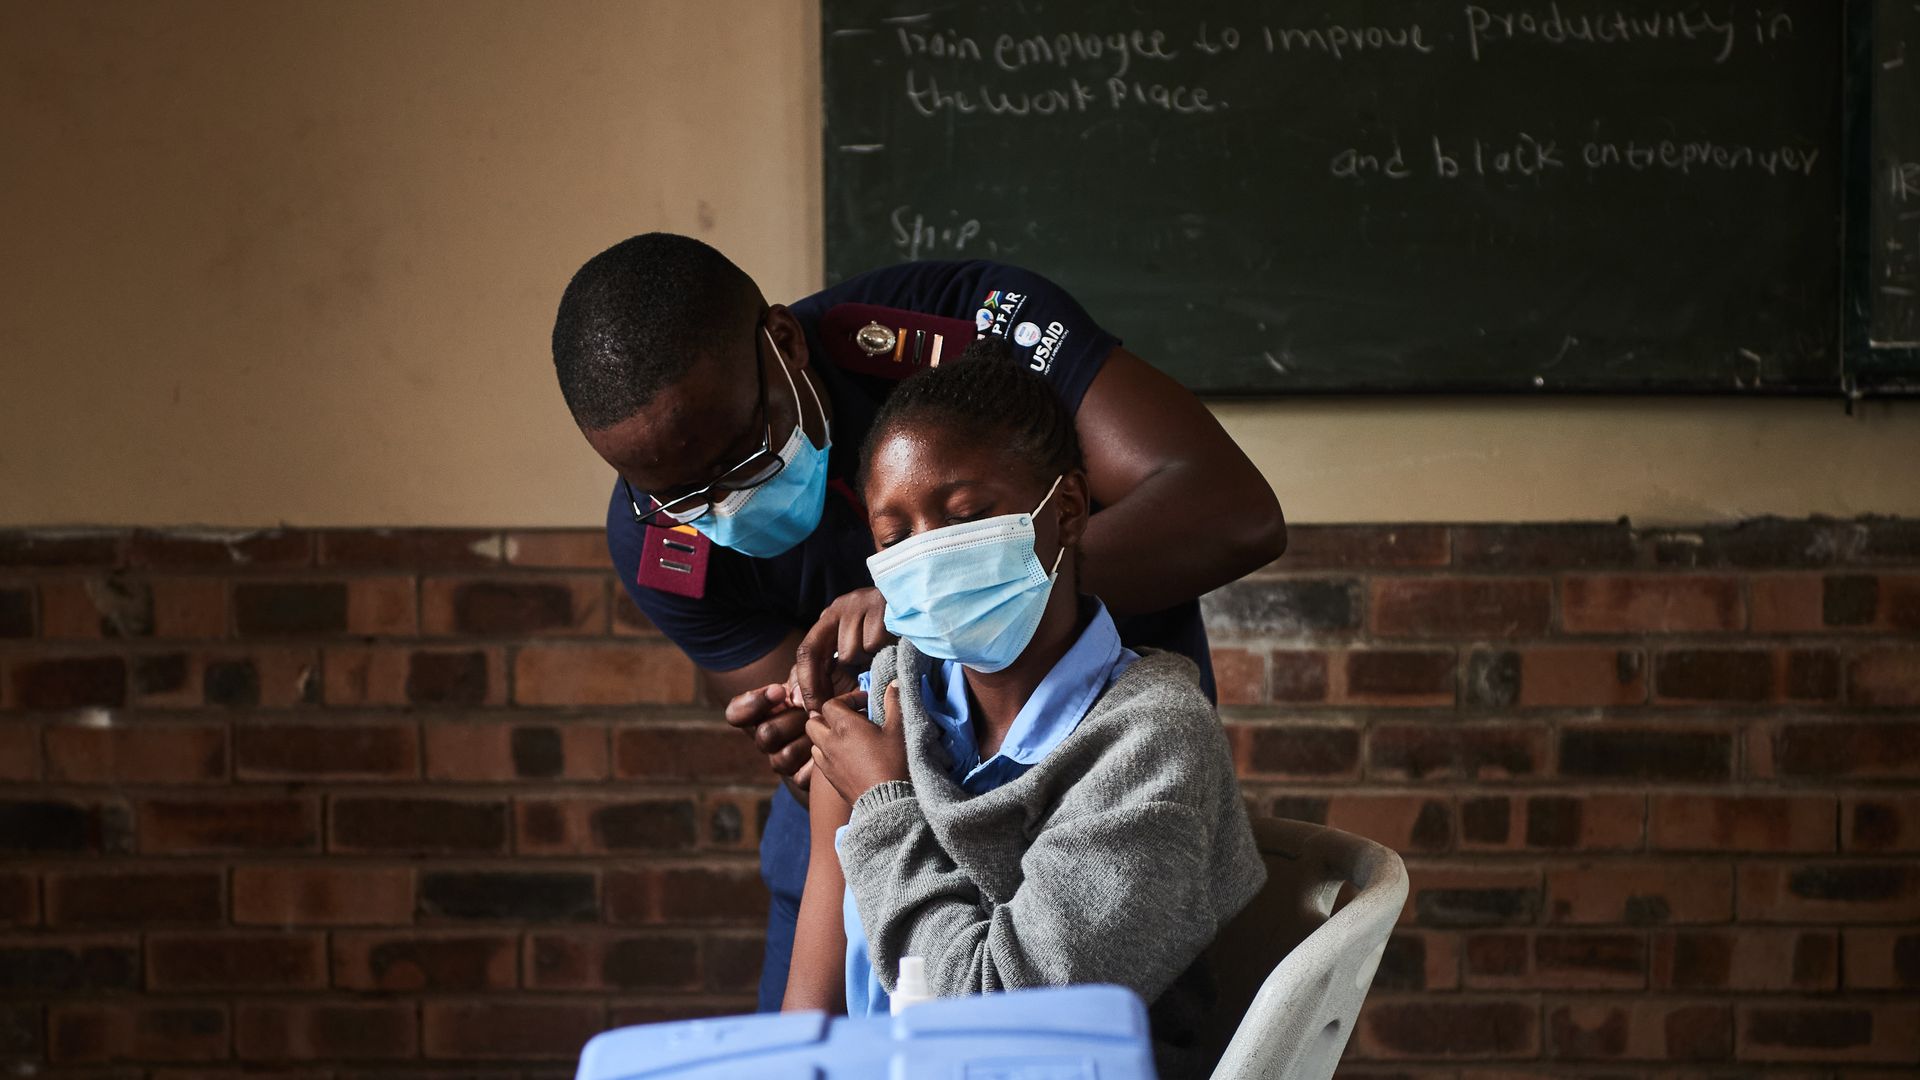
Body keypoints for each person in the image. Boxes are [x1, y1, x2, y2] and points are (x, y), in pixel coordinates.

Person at [550, 233, 1285, 1010]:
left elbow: (1233, 510)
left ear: (786, 344)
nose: (721, 503)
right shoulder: (657, 539)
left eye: (743, 454)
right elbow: (842, 774)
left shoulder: (964, 329)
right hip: (891, 800)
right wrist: (823, 755)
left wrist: (955, 594)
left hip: (1085, 773)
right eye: (892, 539)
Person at [782, 345, 1265, 1080]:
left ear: (1066, 509)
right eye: (895, 537)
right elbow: (809, 1022)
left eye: (965, 516)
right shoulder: (885, 702)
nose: (929, 557)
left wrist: (884, 806)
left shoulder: (1152, 741)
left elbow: (1003, 1028)